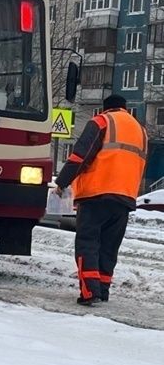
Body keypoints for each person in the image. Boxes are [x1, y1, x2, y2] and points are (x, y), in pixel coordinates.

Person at [54, 94, 148, 306]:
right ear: (124, 108)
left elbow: (80, 156)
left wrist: (62, 182)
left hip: (96, 195)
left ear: (106, 108)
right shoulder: (141, 131)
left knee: (88, 242)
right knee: (109, 247)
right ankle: (102, 290)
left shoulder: (102, 121)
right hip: (124, 198)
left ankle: (89, 292)